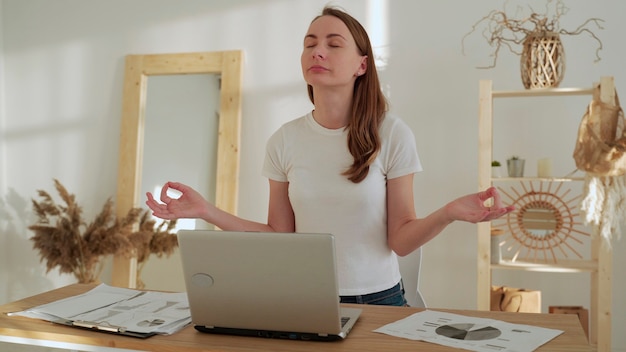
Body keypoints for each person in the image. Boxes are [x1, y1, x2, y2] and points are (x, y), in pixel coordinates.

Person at [146, 6, 515, 306]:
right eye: (310, 44)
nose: (317, 51)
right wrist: (206, 211)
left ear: (361, 65)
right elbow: (280, 235)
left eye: (334, 44)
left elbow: (400, 240)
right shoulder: (284, 140)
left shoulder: (392, 134)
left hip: (380, 300)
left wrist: (448, 212)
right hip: (308, 301)